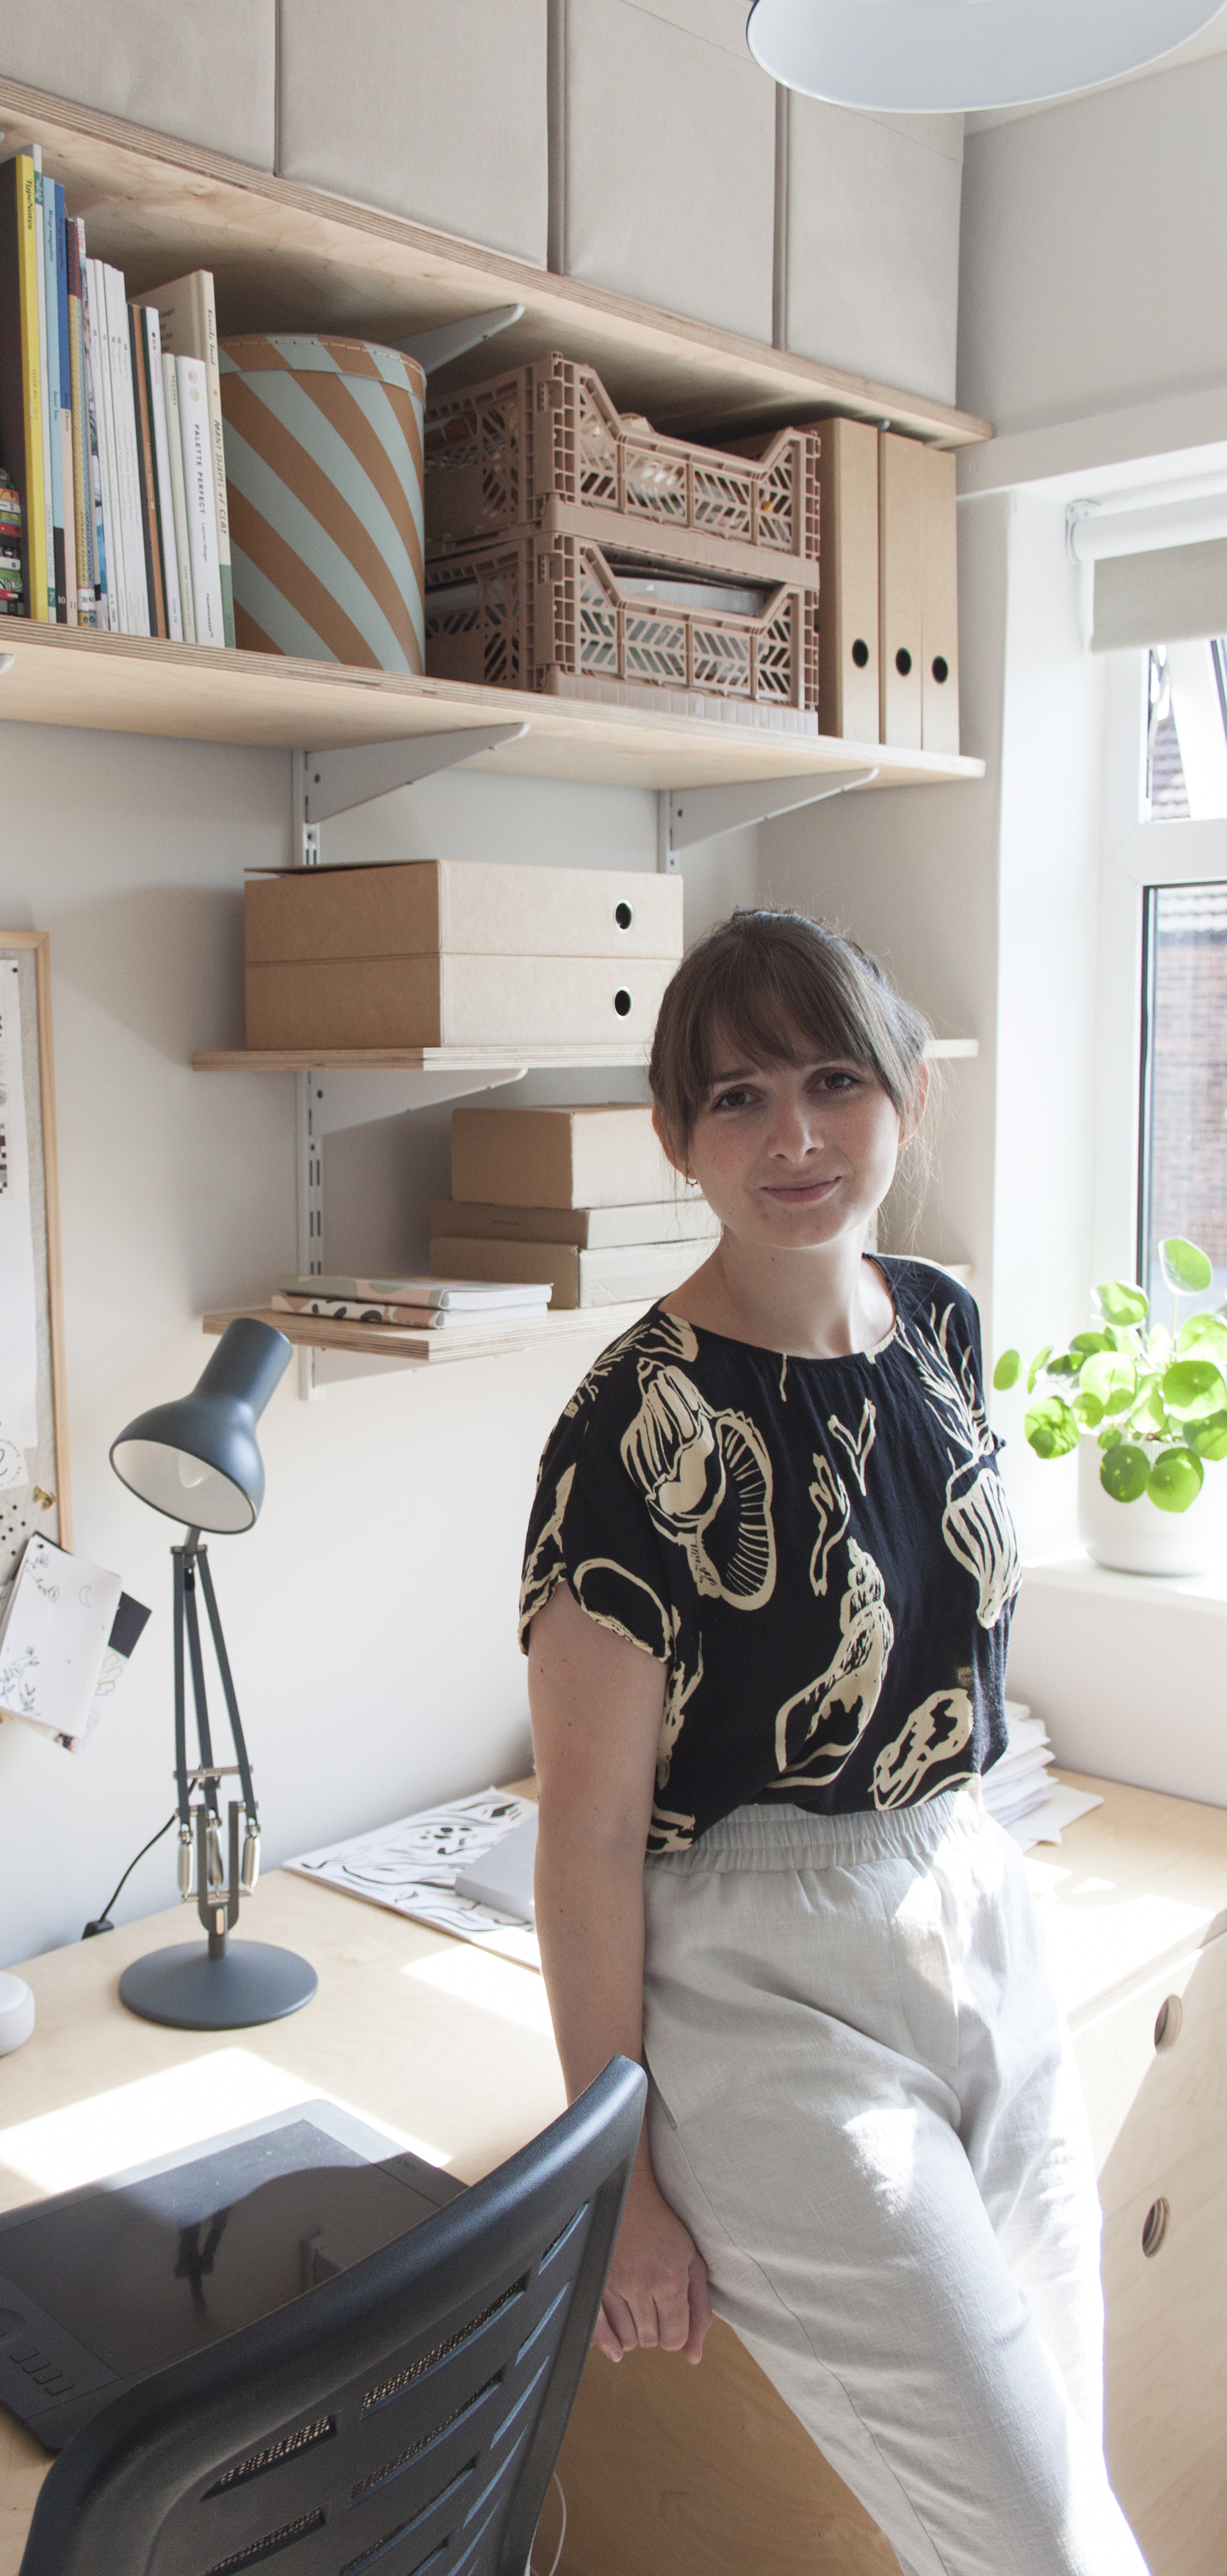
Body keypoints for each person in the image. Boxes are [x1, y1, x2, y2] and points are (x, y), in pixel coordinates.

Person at [521, 909, 1148, 2576]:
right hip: (752, 1985)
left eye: (829, 1078)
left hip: (969, 1905)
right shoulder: (624, 1426)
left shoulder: (931, 1321)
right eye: (733, 1097)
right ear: (675, 1135)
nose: (790, 1135)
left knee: (1065, 2480)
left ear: (904, 1096)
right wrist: (617, 2172)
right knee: (1036, 2541)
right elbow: (580, 1835)